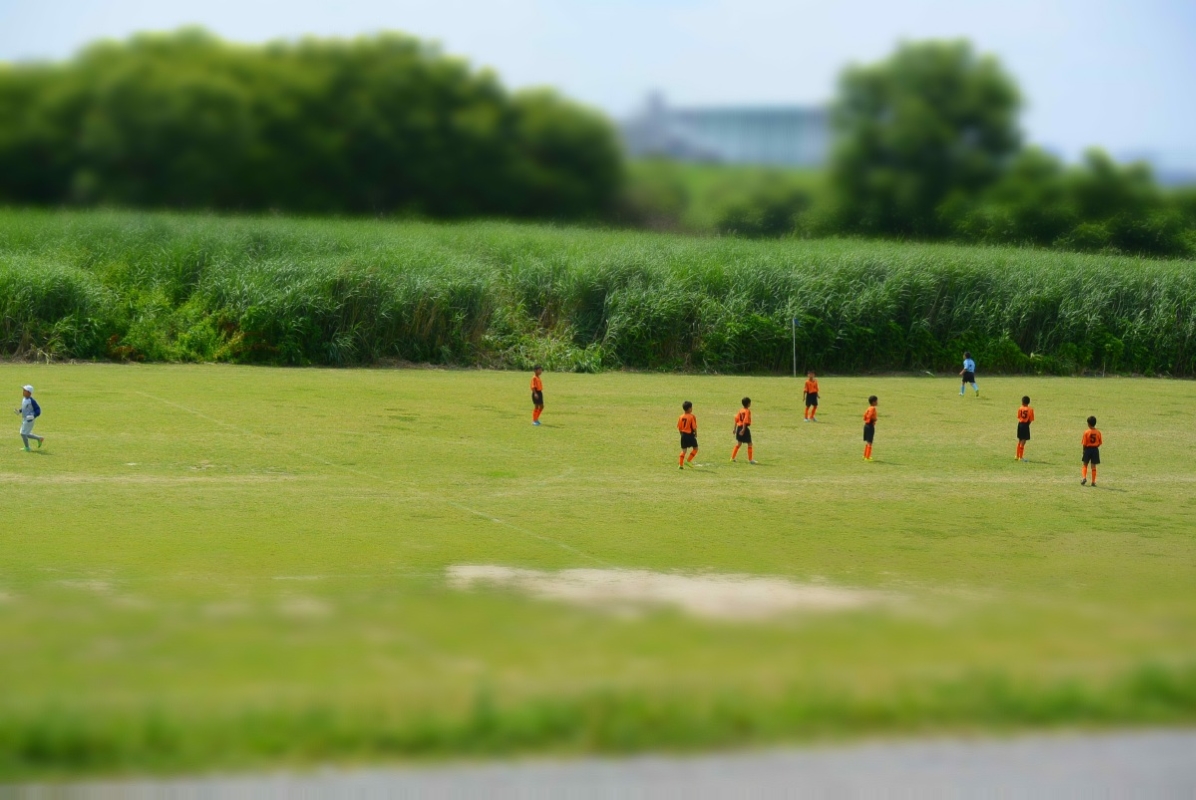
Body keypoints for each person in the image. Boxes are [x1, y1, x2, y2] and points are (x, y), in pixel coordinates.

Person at [16, 384, 43, 452]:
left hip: (29, 420)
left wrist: (34, 415)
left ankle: (27, 448)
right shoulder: (24, 399)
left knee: (23, 433)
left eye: (24, 390)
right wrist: (20, 411)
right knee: (26, 433)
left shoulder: (32, 401)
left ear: (29, 392)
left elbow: (38, 410)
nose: (23, 392)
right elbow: (25, 408)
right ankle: (39, 438)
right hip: (25, 418)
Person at [731, 397, 756, 464]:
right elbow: (745, 420)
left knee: (739, 444)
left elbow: (736, 419)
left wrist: (734, 429)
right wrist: (744, 429)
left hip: (739, 427)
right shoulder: (747, 411)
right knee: (750, 443)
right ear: (748, 404)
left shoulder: (740, 410)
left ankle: (732, 458)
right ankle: (750, 460)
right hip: (744, 428)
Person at [1081, 416, 1103, 486]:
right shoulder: (1098, 432)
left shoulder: (1086, 432)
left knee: (1085, 464)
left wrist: (1084, 450)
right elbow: (1100, 442)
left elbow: (1084, 443)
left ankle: (1084, 477)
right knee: (1093, 466)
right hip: (1095, 450)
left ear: (1088, 424)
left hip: (1088, 449)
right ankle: (1093, 481)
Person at [677, 401, 699, 469]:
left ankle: (680, 465)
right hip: (690, 435)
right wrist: (696, 434)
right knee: (695, 448)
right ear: (689, 408)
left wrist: (681, 434)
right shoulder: (691, 417)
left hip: (683, 435)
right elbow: (694, 427)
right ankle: (689, 460)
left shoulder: (681, 417)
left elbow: (679, 427)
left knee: (684, 450)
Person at [1016, 396, 1034, 461]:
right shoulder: (1030, 409)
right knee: (1023, 441)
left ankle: (1017, 455)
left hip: (1020, 424)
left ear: (1022, 402)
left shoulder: (1020, 408)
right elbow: (1031, 419)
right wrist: (1027, 424)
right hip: (1025, 425)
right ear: (1028, 402)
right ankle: (1021, 457)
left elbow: (1018, 416)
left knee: (1020, 439)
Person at [862, 395, 878, 461]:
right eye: (876, 401)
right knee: (870, 442)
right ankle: (867, 457)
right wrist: (874, 419)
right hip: (870, 425)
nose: (877, 402)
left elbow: (864, 416)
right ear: (873, 402)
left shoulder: (868, 408)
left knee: (868, 441)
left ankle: (865, 455)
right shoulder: (873, 408)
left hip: (866, 425)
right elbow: (870, 416)